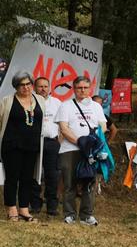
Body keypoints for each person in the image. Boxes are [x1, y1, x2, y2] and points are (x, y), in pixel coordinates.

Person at [55, 76, 107, 226]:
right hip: (70, 149)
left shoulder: (96, 107)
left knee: (89, 182)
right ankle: (69, 214)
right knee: (69, 182)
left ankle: (86, 215)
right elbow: (64, 128)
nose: (82, 90)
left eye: (85, 87)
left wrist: (92, 141)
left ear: (89, 88)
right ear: (74, 89)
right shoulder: (66, 105)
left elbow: (103, 126)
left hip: (91, 151)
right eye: (79, 88)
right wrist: (79, 142)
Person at [0, 72, 44, 222]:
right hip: (12, 145)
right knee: (12, 177)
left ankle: (24, 209)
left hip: (32, 145)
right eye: (22, 84)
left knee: (27, 178)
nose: (25, 87)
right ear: (16, 86)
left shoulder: (40, 100)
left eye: (28, 84)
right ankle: (11, 208)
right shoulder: (7, 101)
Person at [30, 76, 62, 216]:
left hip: (52, 143)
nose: (43, 89)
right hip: (34, 143)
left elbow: (63, 123)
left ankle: (52, 207)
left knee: (52, 175)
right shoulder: (29, 102)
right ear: (34, 88)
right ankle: (35, 205)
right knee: (34, 174)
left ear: (49, 88)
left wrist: (59, 140)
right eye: (40, 86)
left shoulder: (57, 103)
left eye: (45, 86)